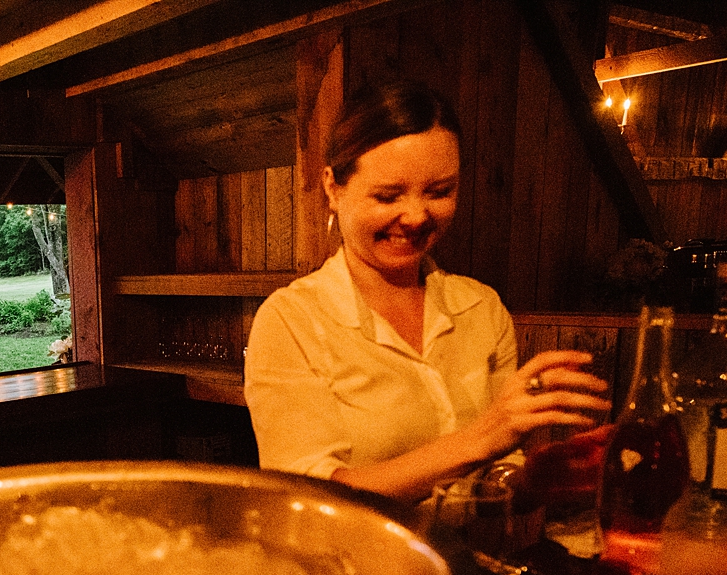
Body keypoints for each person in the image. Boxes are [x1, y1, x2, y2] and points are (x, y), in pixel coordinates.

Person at [244, 79, 611, 503]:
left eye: (440, 192)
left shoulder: (481, 308)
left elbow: (495, 474)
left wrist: (536, 478)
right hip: (355, 566)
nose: (416, 216)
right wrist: (482, 437)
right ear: (333, 187)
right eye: (387, 195)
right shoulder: (292, 320)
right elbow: (309, 496)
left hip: (468, 560)